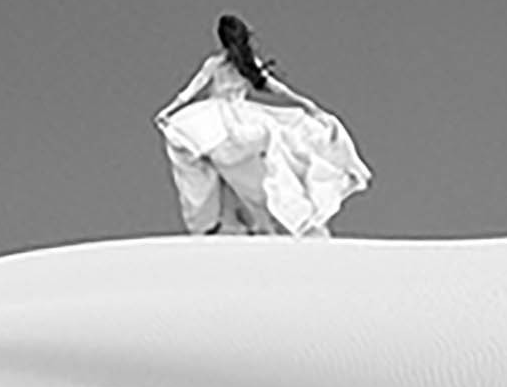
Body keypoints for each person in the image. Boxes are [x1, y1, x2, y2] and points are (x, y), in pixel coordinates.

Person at [155, 13, 371, 237]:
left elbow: (191, 90)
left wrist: (169, 110)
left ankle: (221, 217)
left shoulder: (216, 64)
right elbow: (276, 88)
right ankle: (241, 215)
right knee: (274, 143)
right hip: (241, 116)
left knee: (187, 142)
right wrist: (304, 102)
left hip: (219, 117)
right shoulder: (248, 63)